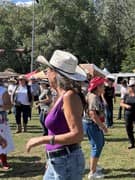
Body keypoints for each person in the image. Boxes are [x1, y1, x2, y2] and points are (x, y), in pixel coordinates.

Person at [26, 50, 86, 179]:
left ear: (55, 74)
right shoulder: (60, 95)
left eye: (48, 70)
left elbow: (78, 135)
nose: (46, 73)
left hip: (66, 161)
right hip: (58, 160)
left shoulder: (70, 96)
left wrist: (42, 140)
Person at [83, 77, 108, 179]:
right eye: (103, 86)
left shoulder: (95, 95)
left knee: (99, 144)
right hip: (92, 124)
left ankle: (94, 164)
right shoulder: (93, 97)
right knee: (96, 146)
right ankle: (92, 173)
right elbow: (92, 114)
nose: (104, 88)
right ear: (97, 87)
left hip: (93, 124)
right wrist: (102, 126)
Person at [120, 79, 135, 149]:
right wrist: (126, 106)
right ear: (129, 86)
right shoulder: (126, 94)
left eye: (133, 86)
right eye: (131, 86)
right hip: (128, 113)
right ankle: (132, 142)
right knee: (128, 127)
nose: (132, 87)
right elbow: (121, 103)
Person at [0, 80, 14, 170]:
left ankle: (4, 160)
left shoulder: (2, 90)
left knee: (2, 139)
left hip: (0, 118)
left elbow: (9, 105)